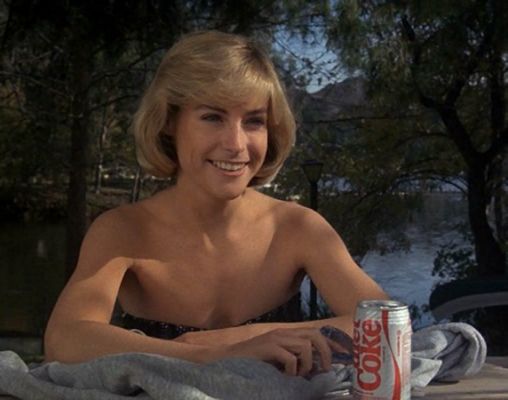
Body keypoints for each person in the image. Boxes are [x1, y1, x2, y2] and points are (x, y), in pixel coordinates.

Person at [44, 30, 388, 377]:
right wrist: (213, 354)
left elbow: (386, 323)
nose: (236, 144)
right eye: (212, 117)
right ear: (169, 122)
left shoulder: (297, 227)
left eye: (254, 121)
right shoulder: (123, 231)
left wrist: (243, 337)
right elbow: (64, 339)